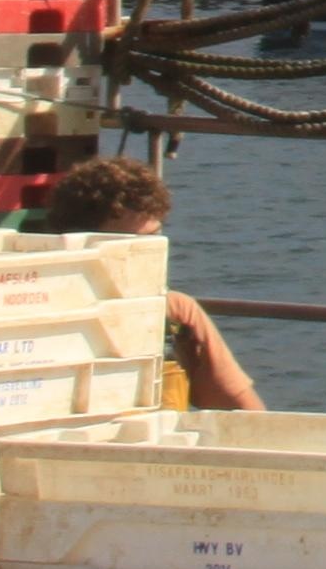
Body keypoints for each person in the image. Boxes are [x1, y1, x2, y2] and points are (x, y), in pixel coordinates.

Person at [42, 153, 261, 412]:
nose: (147, 253)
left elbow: (248, 416)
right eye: (130, 245)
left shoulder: (175, 315)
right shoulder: (37, 306)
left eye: (154, 240)